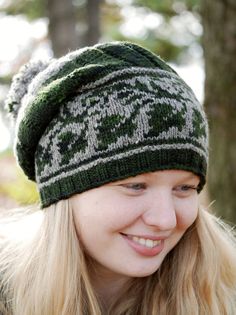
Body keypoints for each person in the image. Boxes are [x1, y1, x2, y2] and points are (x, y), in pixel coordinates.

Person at [0, 41, 235, 315]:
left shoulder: (220, 300)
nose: (165, 220)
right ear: (64, 189)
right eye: (135, 186)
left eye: (184, 188)